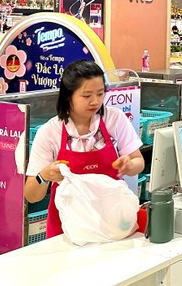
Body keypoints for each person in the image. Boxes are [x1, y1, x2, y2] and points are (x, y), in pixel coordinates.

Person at [25, 60, 144, 236]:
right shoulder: (50, 132)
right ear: (68, 96)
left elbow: (138, 161)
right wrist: (44, 176)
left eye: (100, 93)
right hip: (68, 230)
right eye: (87, 96)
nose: (95, 101)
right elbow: (31, 195)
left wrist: (130, 165)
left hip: (112, 223)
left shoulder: (115, 119)